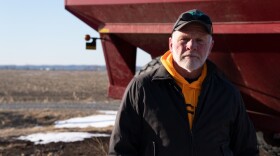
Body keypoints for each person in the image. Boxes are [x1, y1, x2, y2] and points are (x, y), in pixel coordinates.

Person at [108, 9, 259, 156]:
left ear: (211, 46)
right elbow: (121, 149)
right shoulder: (143, 87)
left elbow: (246, 149)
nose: (191, 46)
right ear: (171, 44)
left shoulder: (227, 93)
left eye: (200, 40)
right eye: (184, 39)